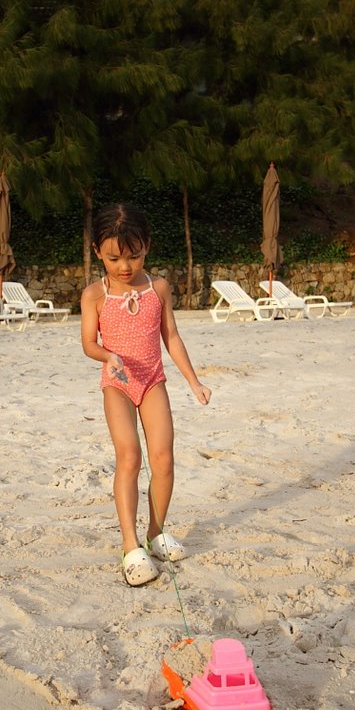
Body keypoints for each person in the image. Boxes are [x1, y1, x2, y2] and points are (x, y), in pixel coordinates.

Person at [81, 202, 211, 587]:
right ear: (97, 252)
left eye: (134, 256)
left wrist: (194, 381)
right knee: (130, 456)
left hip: (153, 380)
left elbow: (171, 337)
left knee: (164, 457)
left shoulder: (158, 288)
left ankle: (156, 532)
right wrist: (109, 356)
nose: (125, 267)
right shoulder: (95, 295)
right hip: (117, 384)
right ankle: (130, 545)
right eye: (114, 258)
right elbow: (89, 343)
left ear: (147, 247)